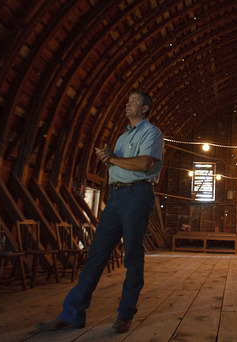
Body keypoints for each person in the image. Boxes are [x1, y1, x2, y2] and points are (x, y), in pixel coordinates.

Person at [37, 90, 164, 334]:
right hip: (115, 195)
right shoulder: (120, 138)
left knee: (132, 256)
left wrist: (112, 159)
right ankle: (72, 314)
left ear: (145, 109)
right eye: (128, 101)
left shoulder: (152, 132)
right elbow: (118, 163)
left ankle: (125, 315)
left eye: (134, 101)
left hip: (138, 195)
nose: (128, 104)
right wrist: (110, 158)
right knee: (96, 255)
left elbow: (144, 163)